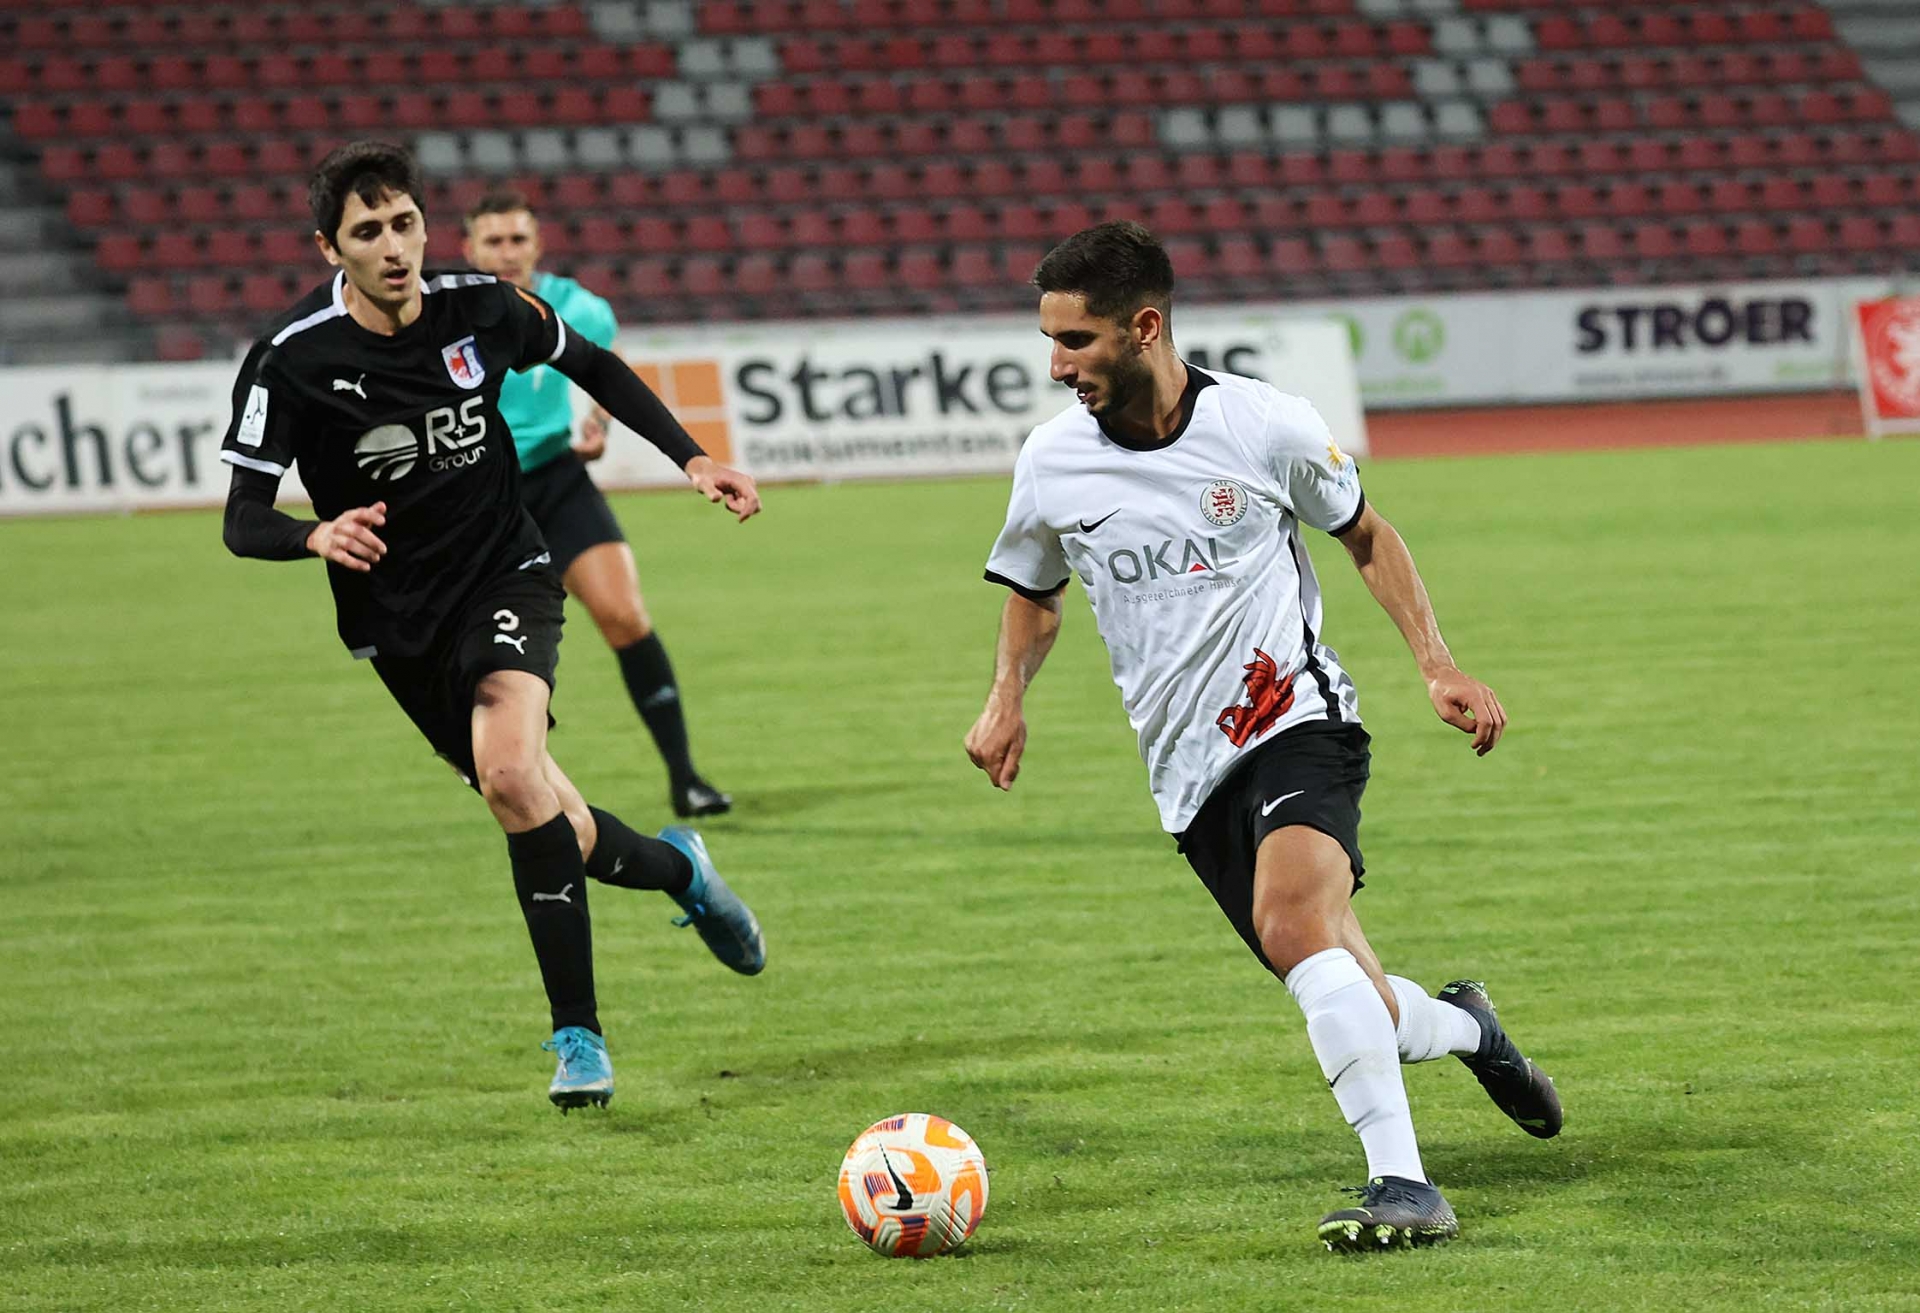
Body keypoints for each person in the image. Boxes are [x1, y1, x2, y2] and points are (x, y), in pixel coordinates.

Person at [963, 222, 1561, 1252]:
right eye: (1051, 339)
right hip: (1186, 776)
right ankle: (1467, 1024)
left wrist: (1436, 660)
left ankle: (1405, 1184)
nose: (1058, 364)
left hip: (1295, 719)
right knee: (1361, 995)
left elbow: (1364, 531)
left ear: (1145, 327)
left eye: (1079, 340)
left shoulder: (1265, 425)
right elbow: (1034, 584)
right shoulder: (1051, 460)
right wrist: (1005, 693)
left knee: (1294, 926)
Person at [218, 141, 766, 1113]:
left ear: (428, 224)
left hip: (506, 568)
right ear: (327, 247)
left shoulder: (480, 305)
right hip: (397, 623)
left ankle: (579, 1039)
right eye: (366, 231)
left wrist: (691, 456)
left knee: (513, 774)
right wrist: (312, 535)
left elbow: (591, 361)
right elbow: (241, 517)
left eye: (404, 223)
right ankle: (684, 868)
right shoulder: (293, 358)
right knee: (553, 815)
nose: (393, 246)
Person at [462, 189, 730, 819]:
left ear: (538, 245)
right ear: (469, 248)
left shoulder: (582, 309)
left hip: (557, 481)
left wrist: (600, 426)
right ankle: (505, 781)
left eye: (517, 240)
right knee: (487, 655)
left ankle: (686, 779)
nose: (506, 252)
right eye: (493, 241)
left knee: (626, 617)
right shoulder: (446, 312)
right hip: (479, 499)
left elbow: (598, 377)